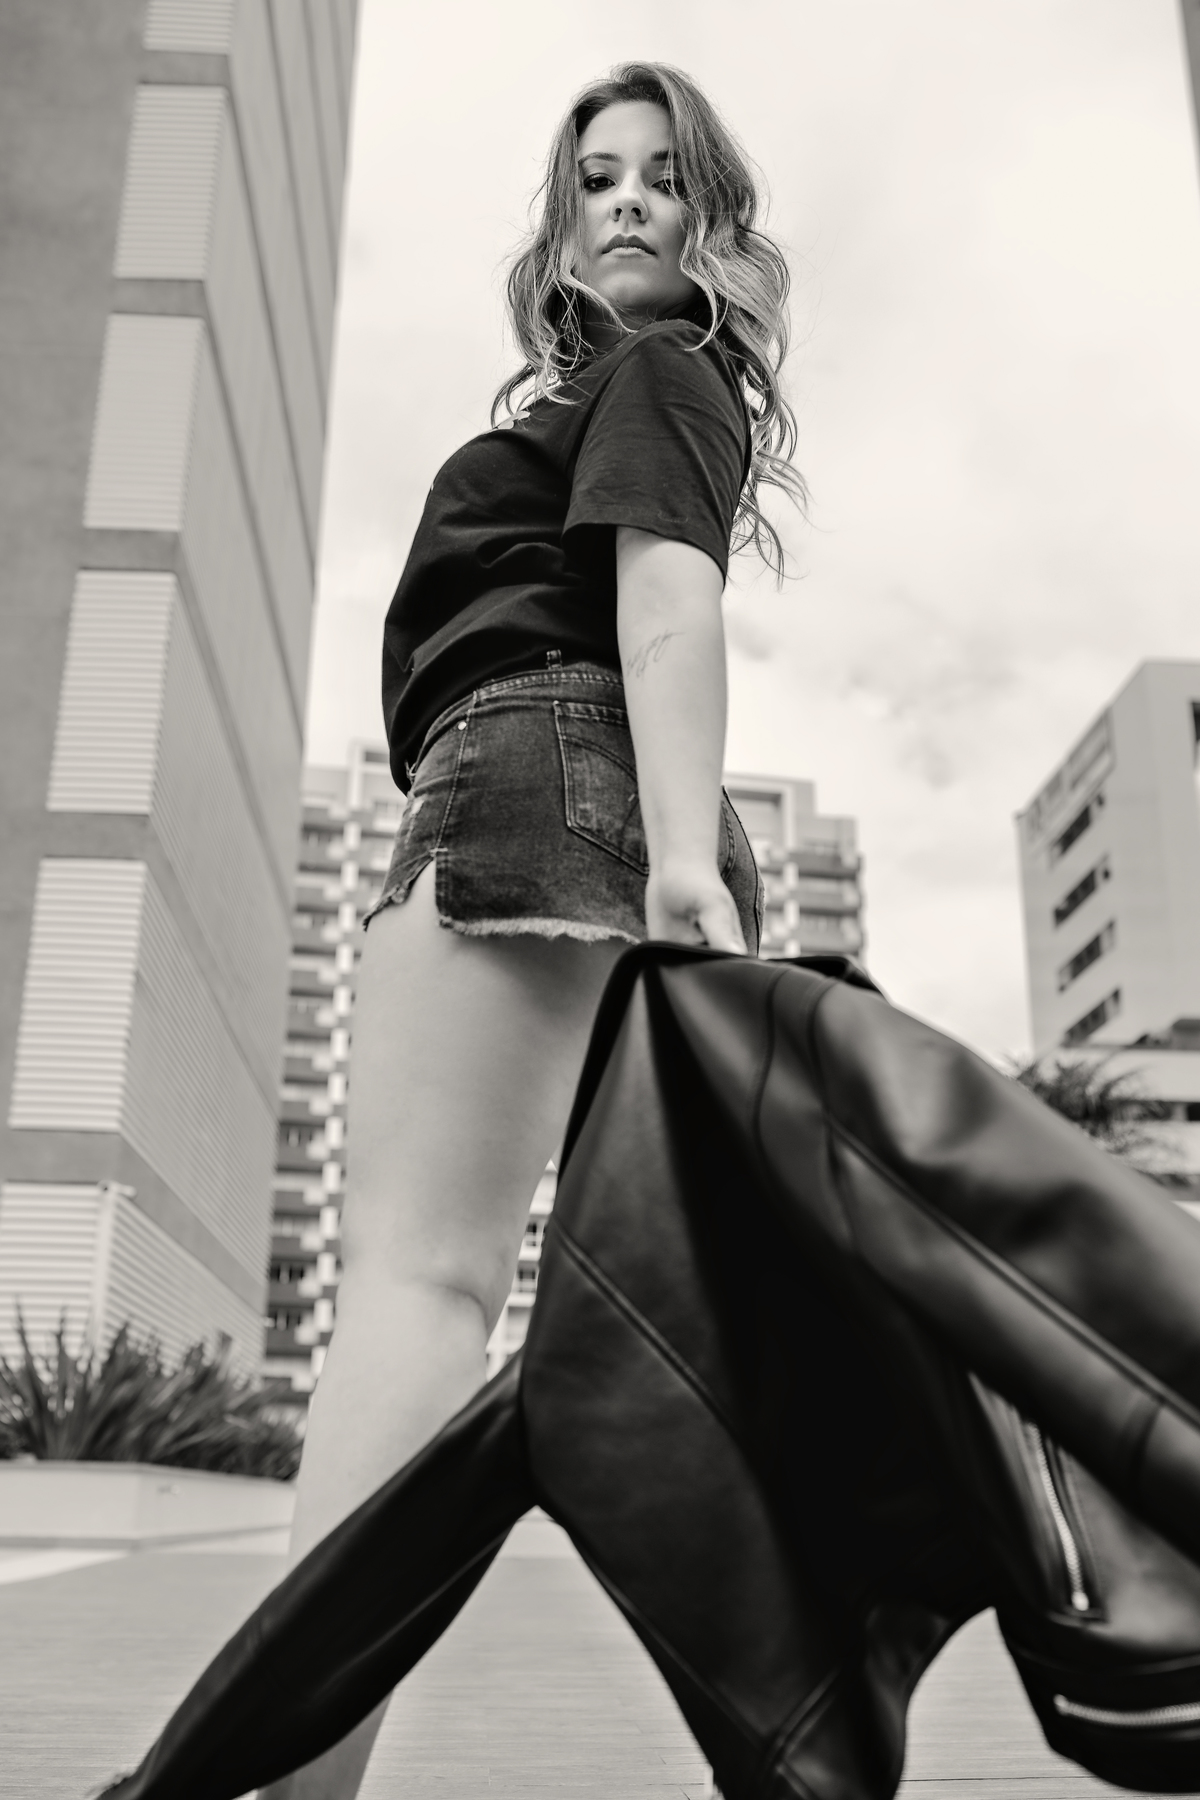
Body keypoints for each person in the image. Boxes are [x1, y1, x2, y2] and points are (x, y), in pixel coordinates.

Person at [261, 60, 804, 1800]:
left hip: (544, 781)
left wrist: (678, 868)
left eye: (665, 175)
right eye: (597, 178)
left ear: (714, 220)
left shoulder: (660, 368)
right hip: (589, 799)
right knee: (690, 1348)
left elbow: (669, 605)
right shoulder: (636, 386)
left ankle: (284, 1774)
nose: (627, 197)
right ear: (563, 227)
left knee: (419, 1288)